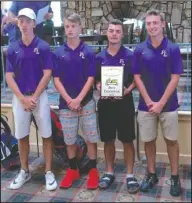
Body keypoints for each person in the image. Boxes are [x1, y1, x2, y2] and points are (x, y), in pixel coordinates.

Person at [132, 9, 183, 196]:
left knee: (171, 141)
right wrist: (148, 100)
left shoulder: (173, 49)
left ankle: (175, 177)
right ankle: (151, 174)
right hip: (146, 105)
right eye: (148, 23)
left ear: (162, 24)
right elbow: (136, 77)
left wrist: (161, 103)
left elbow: (175, 78)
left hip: (168, 106)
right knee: (149, 141)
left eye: (155, 23)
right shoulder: (139, 50)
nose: (152, 26)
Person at [6, 8, 57, 191]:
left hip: (39, 97)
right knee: (21, 135)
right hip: (20, 98)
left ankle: (49, 172)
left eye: (28, 21)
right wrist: (22, 98)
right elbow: (9, 76)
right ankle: (24, 170)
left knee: (46, 135)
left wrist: (33, 97)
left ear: (34, 23)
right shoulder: (12, 48)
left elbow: (47, 74)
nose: (25, 24)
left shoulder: (43, 46)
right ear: (18, 23)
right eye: (21, 21)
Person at [53, 13, 100, 189]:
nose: (70, 30)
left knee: (90, 137)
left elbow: (90, 78)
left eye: (73, 26)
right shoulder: (58, 53)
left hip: (86, 102)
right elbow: (56, 79)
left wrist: (79, 99)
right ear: (64, 28)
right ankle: (73, 170)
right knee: (69, 140)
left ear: (80, 27)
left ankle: (94, 170)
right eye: (67, 26)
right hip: (66, 105)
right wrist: (70, 100)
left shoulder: (88, 52)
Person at [95, 19, 139, 194]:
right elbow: (96, 79)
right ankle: (109, 172)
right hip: (106, 104)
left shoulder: (130, 55)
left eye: (117, 31)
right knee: (108, 140)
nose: (114, 33)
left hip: (124, 103)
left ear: (122, 34)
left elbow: (137, 79)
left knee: (127, 140)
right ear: (107, 33)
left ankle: (130, 175)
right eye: (111, 30)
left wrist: (128, 89)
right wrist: (98, 85)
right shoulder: (99, 57)